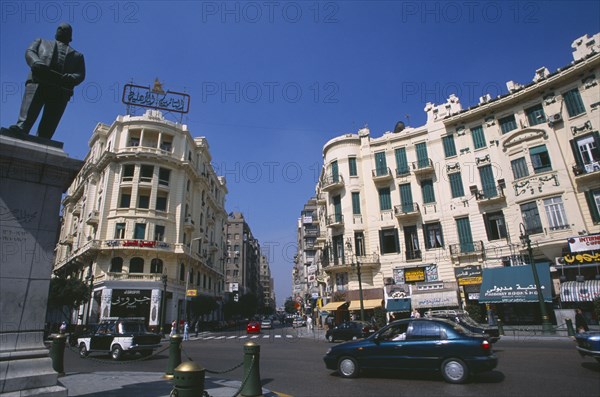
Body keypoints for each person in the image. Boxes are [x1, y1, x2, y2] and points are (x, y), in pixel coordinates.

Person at [5, 23, 85, 140]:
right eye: (60, 29)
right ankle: (22, 127)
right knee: (30, 108)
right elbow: (30, 52)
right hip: (39, 80)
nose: (62, 31)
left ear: (71, 36)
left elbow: (80, 74)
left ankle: (44, 137)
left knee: (51, 119)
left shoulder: (78, 55)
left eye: (66, 30)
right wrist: (36, 62)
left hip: (61, 88)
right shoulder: (41, 41)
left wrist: (71, 78)